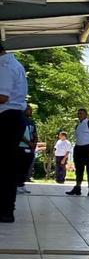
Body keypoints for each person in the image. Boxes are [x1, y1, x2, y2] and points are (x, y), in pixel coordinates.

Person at [0, 41, 28, 223]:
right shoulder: (14, 63)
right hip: (12, 118)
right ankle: (6, 208)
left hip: (6, 119)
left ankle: (5, 209)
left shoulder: (4, 66)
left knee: (4, 167)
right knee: (6, 167)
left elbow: (2, 97)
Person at [67, 108, 89, 197]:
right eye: (78, 113)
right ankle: (77, 188)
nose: (79, 115)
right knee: (79, 169)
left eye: (81, 113)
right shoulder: (78, 125)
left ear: (86, 115)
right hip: (78, 149)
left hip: (88, 148)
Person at [16, 105, 36, 194]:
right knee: (19, 166)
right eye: (29, 109)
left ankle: (22, 184)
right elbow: (19, 134)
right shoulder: (20, 120)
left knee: (26, 167)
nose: (31, 111)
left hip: (30, 148)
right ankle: (17, 185)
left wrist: (35, 142)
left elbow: (35, 133)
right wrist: (29, 143)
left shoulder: (31, 121)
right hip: (20, 146)